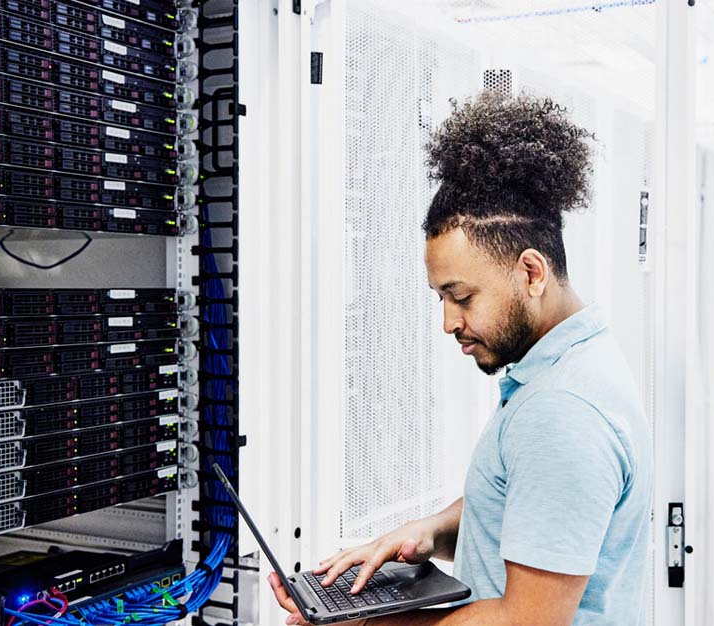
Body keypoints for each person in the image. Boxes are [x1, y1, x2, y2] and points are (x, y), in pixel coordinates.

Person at [270, 91, 653, 626]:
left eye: (462, 296)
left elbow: (525, 622)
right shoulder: (574, 361)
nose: (449, 322)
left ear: (531, 272)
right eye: (442, 299)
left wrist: (364, 624)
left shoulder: (562, 411)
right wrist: (430, 531)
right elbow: (530, 509)